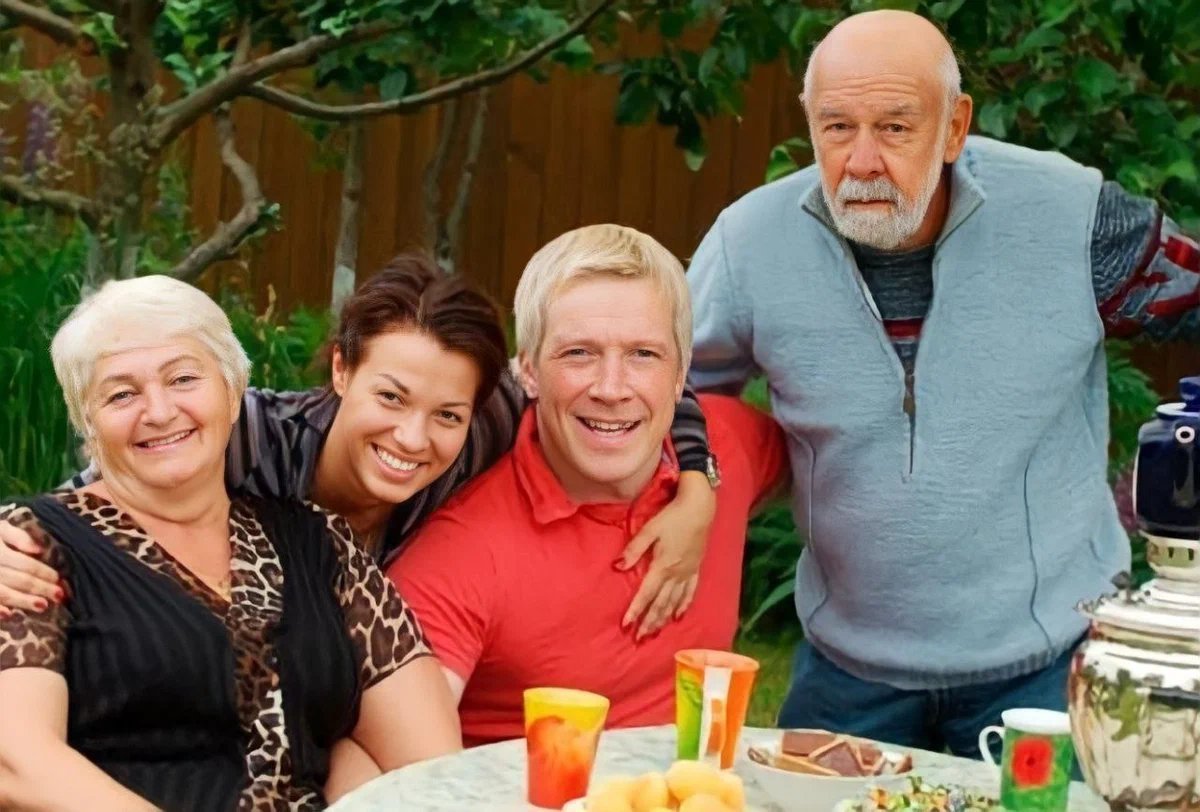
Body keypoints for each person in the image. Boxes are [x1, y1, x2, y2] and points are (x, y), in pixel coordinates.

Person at [685, 8, 1200, 756]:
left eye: (894, 128)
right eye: (837, 128)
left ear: (955, 127)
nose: (861, 161)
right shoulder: (750, 243)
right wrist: (696, 482)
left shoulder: (1072, 218)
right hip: (848, 669)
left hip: (1045, 666)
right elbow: (665, 390)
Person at [0, 254, 719, 638]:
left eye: (445, 414)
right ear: (342, 369)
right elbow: (95, 497)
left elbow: (634, 381)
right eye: (390, 398)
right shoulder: (246, 438)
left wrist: (696, 487)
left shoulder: (482, 420)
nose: (413, 438)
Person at [0, 276, 460, 810]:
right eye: (121, 394)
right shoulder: (28, 545)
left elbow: (433, 766)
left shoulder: (320, 541)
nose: (159, 411)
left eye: (183, 379)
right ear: (87, 422)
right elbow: (17, 764)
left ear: (233, 391)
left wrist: (346, 760)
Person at [388, 225, 789, 746]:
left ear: (680, 375)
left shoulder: (727, 449)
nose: (612, 388)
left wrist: (700, 486)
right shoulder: (460, 551)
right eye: (579, 353)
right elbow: (399, 762)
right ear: (528, 372)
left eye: (643, 355)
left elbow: (840, 469)